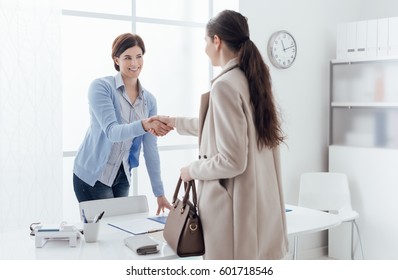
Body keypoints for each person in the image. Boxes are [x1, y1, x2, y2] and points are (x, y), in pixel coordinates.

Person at [157, 10, 288, 259]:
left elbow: (232, 160)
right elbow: (225, 128)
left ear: (216, 40)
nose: (205, 49)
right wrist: (174, 122)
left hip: (234, 213)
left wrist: (191, 170)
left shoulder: (225, 86)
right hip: (260, 204)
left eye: (206, 42)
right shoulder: (252, 79)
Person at [73, 33, 172, 215]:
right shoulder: (101, 87)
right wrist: (143, 124)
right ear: (116, 59)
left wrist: (159, 193)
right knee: (106, 232)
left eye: (139, 56)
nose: (134, 63)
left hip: (122, 175)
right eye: (127, 57)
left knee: (120, 231)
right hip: (94, 176)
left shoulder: (149, 100)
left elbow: (150, 149)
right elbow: (112, 131)